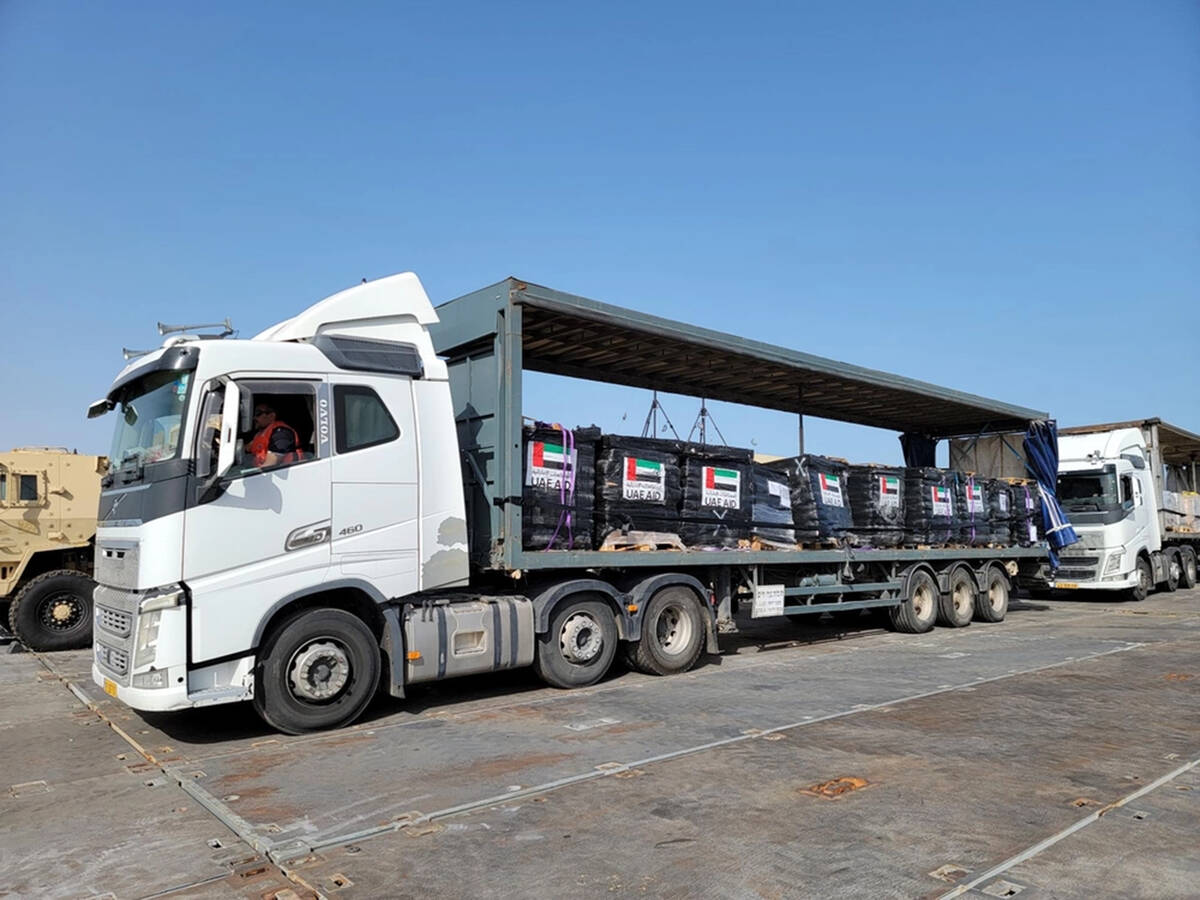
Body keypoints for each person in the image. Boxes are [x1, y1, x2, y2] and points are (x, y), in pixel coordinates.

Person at [246, 400, 304, 469]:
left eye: (258, 413)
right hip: (260, 474)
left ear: (271, 416)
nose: (254, 418)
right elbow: (248, 447)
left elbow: (270, 465)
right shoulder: (260, 434)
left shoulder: (281, 433)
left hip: (281, 476)